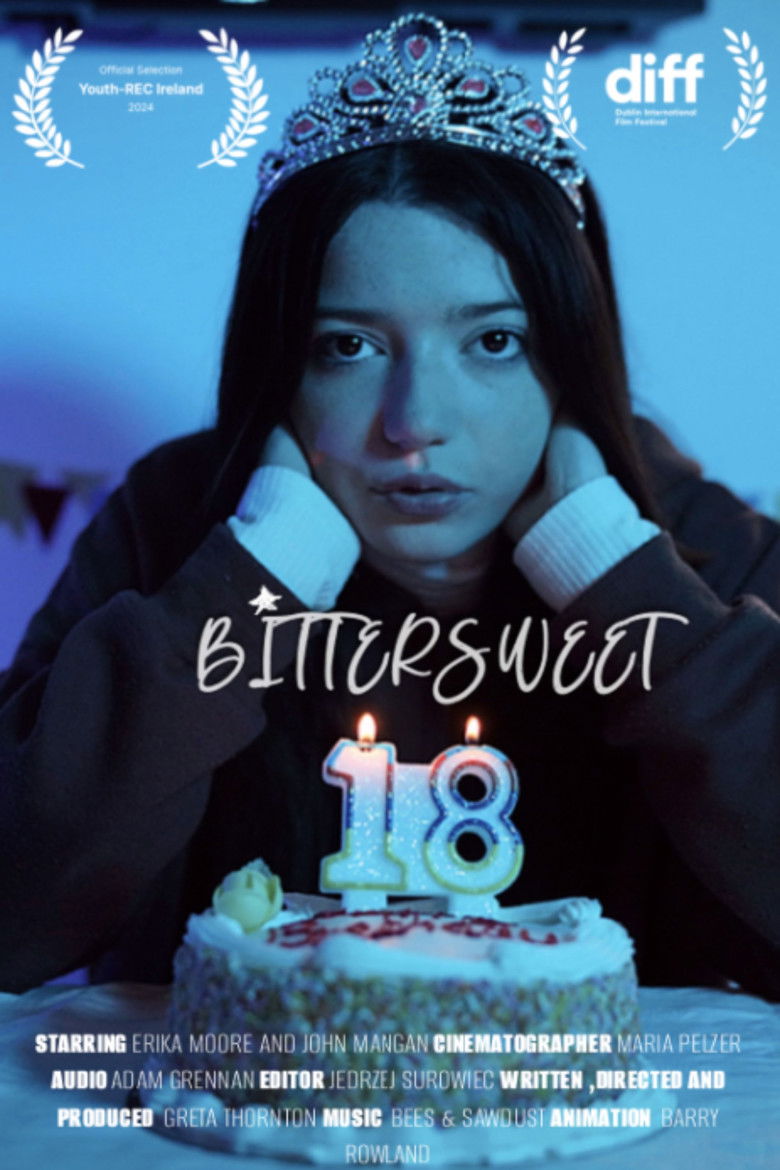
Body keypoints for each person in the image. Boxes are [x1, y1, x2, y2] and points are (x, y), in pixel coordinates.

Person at [1, 13, 778, 997]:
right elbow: (14, 918)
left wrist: (616, 580)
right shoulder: (175, 523)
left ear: (572, 356)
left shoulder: (698, 548)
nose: (415, 424)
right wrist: (255, 581)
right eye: (349, 347)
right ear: (280, 364)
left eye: (493, 342)